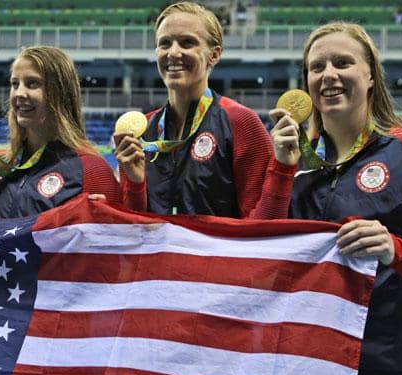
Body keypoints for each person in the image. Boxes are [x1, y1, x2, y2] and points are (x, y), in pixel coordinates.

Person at [269, 22, 402, 375]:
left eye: (343, 63)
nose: (329, 74)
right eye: (317, 67)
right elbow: (260, 257)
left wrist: (396, 251)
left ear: (370, 78)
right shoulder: (293, 160)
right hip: (294, 370)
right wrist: (281, 168)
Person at [113, 1, 295, 218]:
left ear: (214, 55)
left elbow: (264, 222)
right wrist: (134, 183)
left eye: (187, 43)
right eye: (165, 43)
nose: (173, 52)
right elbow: (134, 226)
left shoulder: (241, 122)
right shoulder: (143, 131)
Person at [0, 46, 121, 218]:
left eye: (32, 83)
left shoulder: (92, 170)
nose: (19, 93)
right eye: (15, 84)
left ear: (61, 93)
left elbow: (115, 242)